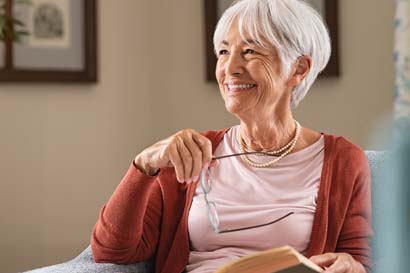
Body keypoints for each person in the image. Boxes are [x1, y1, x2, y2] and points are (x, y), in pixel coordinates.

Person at [91, 0, 372, 272]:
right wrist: (144, 165)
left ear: (298, 69)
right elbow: (111, 250)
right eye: (224, 52)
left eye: (250, 51)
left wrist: (353, 266)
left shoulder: (342, 161)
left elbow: (358, 260)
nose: (230, 68)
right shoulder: (190, 154)